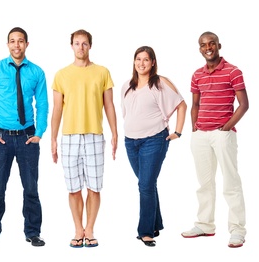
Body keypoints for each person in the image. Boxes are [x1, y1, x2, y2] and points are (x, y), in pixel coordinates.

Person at [0, 27, 48, 248]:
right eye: (12, 41)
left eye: (20, 41)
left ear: (27, 44)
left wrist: (39, 134)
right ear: (7, 44)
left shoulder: (37, 72)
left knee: (31, 188)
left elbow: (43, 105)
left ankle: (33, 232)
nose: (16, 45)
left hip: (27, 138)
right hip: (1, 138)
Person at [50, 29, 118, 248]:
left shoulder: (102, 72)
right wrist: (53, 139)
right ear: (71, 46)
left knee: (95, 187)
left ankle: (90, 229)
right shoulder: (61, 75)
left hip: (94, 136)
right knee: (73, 188)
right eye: (77, 43)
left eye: (84, 44)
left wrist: (115, 132)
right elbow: (57, 109)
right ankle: (78, 229)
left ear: (90, 46)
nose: (81, 47)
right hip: (69, 136)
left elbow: (109, 105)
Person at [181, 31, 249, 248]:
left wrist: (226, 127)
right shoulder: (197, 74)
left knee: (231, 182)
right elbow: (195, 105)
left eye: (211, 43)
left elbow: (244, 104)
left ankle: (237, 230)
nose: (208, 47)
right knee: (204, 183)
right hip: (201, 135)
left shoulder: (233, 71)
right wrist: (194, 128)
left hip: (223, 135)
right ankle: (205, 225)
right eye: (203, 45)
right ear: (199, 48)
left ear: (219, 45)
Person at [121, 46, 187, 247]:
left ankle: (146, 231)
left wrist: (178, 131)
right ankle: (156, 223)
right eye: (138, 59)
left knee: (145, 186)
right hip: (131, 142)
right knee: (147, 184)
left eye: (146, 60)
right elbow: (126, 113)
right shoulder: (127, 86)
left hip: (154, 140)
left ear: (152, 63)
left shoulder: (158, 84)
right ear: (134, 62)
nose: (141, 63)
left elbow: (181, 104)